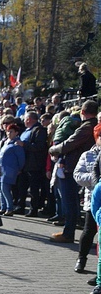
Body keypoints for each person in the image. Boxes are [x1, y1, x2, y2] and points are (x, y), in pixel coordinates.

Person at [48, 100, 98, 243]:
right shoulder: (91, 126)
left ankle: (68, 233)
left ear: (82, 112)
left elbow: (70, 143)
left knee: (69, 201)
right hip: (84, 167)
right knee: (75, 202)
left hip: (74, 167)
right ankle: (70, 230)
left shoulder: (87, 127)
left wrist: (53, 149)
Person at [72, 123, 101, 273]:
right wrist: (95, 179)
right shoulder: (88, 155)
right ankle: (81, 258)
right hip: (93, 199)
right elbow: (77, 175)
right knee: (89, 231)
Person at [17, 111, 49, 216]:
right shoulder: (26, 130)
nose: (24, 121)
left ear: (29, 119)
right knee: (22, 187)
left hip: (33, 165)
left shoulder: (39, 130)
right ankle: (20, 206)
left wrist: (24, 145)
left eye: (26, 119)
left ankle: (33, 209)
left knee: (33, 189)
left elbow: (39, 147)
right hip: (24, 164)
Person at [0, 123, 25, 217]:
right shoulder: (5, 142)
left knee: (5, 189)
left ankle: (10, 208)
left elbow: (21, 158)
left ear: (16, 132)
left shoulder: (17, 143)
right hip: (1, 168)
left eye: (11, 131)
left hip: (10, 169)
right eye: (7, 131)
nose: (8, 133)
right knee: (1, 189)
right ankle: (3, 207)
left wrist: (19, 168)